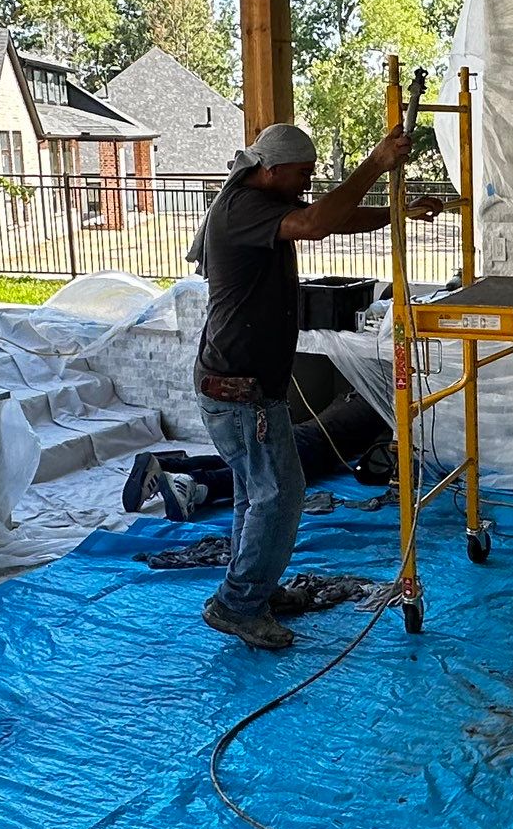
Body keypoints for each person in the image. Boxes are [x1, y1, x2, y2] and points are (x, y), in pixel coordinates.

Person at [186, 118, 439, 649]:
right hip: (239, 390)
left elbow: (333, 219)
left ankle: (252, 587)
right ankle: (237, 604)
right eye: (302, 174)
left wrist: (400, 211)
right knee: (280, 496)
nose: (307, 183)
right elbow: (320, 223)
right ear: (271, 169)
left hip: (242, 384)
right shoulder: (242, 208)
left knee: (255, 496)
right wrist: (375, 162)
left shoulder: (262, 205)